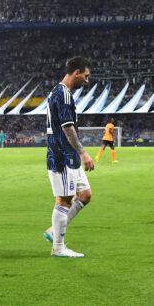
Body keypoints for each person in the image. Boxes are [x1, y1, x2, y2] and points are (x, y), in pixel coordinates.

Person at [43, 56, 96, 258]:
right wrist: (83, 152)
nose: (87, 80)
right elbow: (67, 127)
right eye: (86, 76)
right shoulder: (63, 94)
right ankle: (58, 247)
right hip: (62, 155)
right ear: (76, 73)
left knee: (85, 195)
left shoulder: (59, 92)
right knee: (64, 200)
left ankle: (53, 231)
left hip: (69, 155)